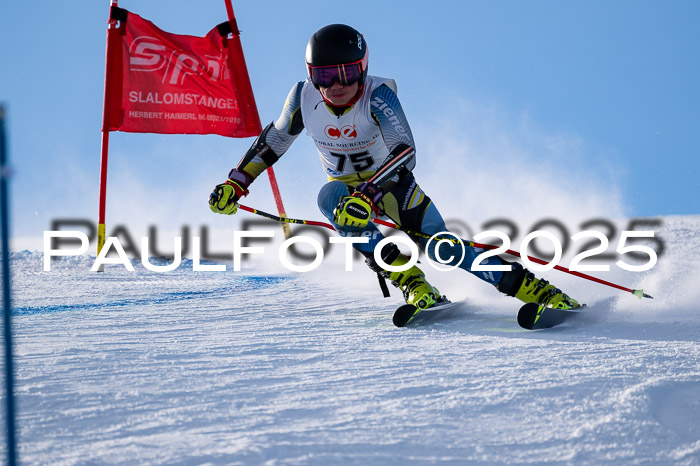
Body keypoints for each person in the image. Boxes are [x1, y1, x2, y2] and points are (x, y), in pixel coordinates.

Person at [209, 24, 580, 316]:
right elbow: (274, 140)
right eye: (324, 76)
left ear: (363, 69)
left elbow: (406, 150)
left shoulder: (378, 96)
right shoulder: (303, 97)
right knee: (331, 198)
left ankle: (538, 291)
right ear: (310, 75)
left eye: (347, 73)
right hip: (347, 192)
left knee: (442, 248)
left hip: (393, 185)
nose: (337, 86)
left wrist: (369, 195)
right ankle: (413, 283)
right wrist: (236, 182)